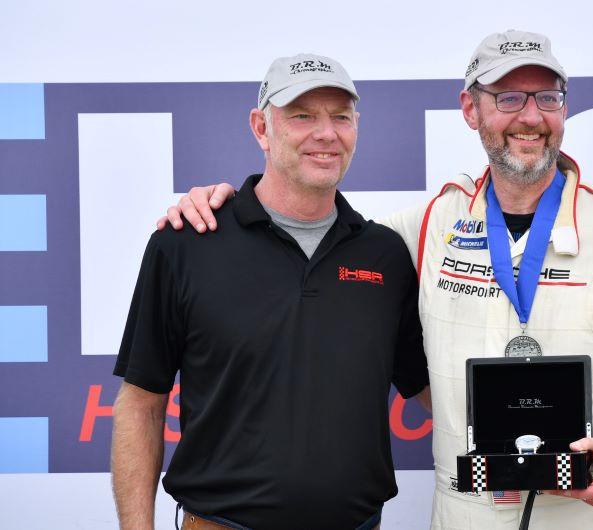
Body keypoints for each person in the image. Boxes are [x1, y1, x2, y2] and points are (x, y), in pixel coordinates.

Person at [159, 31, 593, 529]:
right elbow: (309, 232)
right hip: (466, 516)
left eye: (548, 97)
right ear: (470, 110)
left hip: (591, 515)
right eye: (508, 97)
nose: (530, 116)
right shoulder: (427, 227)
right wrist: (223, 207)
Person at [111, 53, 429, 530]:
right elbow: (141, 404)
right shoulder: (186, 243)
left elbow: (430, 389)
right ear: (261, 128)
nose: (326, 133)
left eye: (340, 117)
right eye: (302, 116)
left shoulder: (384, 255)